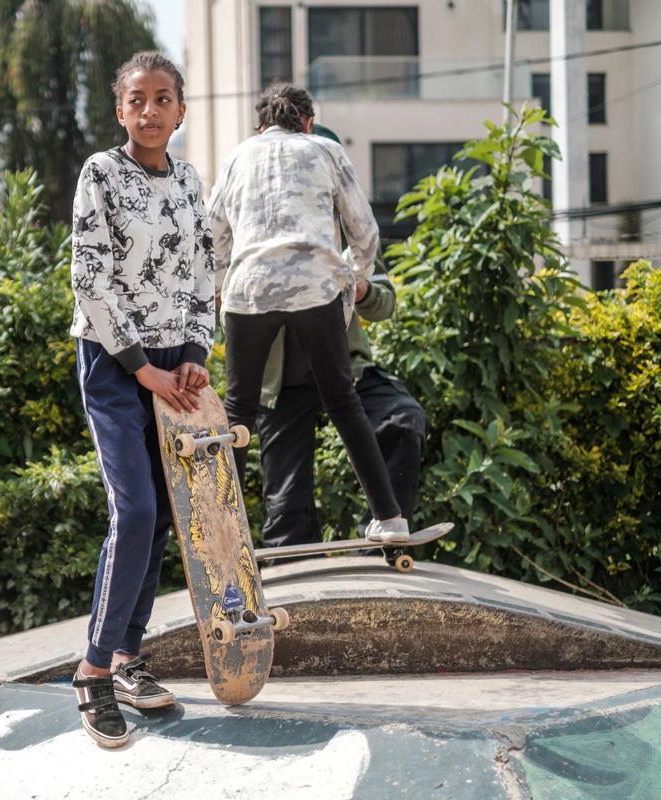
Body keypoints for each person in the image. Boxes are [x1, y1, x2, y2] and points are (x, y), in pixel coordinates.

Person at [68, 51, 214, 748]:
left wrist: (193, 356)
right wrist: (138, 368)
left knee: (162, 519)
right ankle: (93, 671)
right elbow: (89, 279)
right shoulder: (100, 173)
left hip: (170, 363)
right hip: (112, 360)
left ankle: (129, 657)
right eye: (137, 100)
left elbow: (201, 275)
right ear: (119, 110)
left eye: (163, 99)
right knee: (135, 509)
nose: (150, 110)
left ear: (181, 111)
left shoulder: (189, 180)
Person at [209, 82, 420, 546]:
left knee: (238, 408)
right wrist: (350, 276)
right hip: (315, 285)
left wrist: (224, 290)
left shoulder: (237, 156)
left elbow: (212, 234)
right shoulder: (325, 149)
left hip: (250, 290)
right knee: (343, 402)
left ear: (260, 126)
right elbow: (364, 231)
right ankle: (391, 519)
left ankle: (221, 530)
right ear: (307, 122)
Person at [258, 250, 428, 549]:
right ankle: (295, 566)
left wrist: (360, 288)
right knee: (287, 516)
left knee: (402, 419)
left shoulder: (344, 221)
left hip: (348, 368)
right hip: (282, 383)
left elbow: (384, 303)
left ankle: (380, 541)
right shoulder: (251, 219)